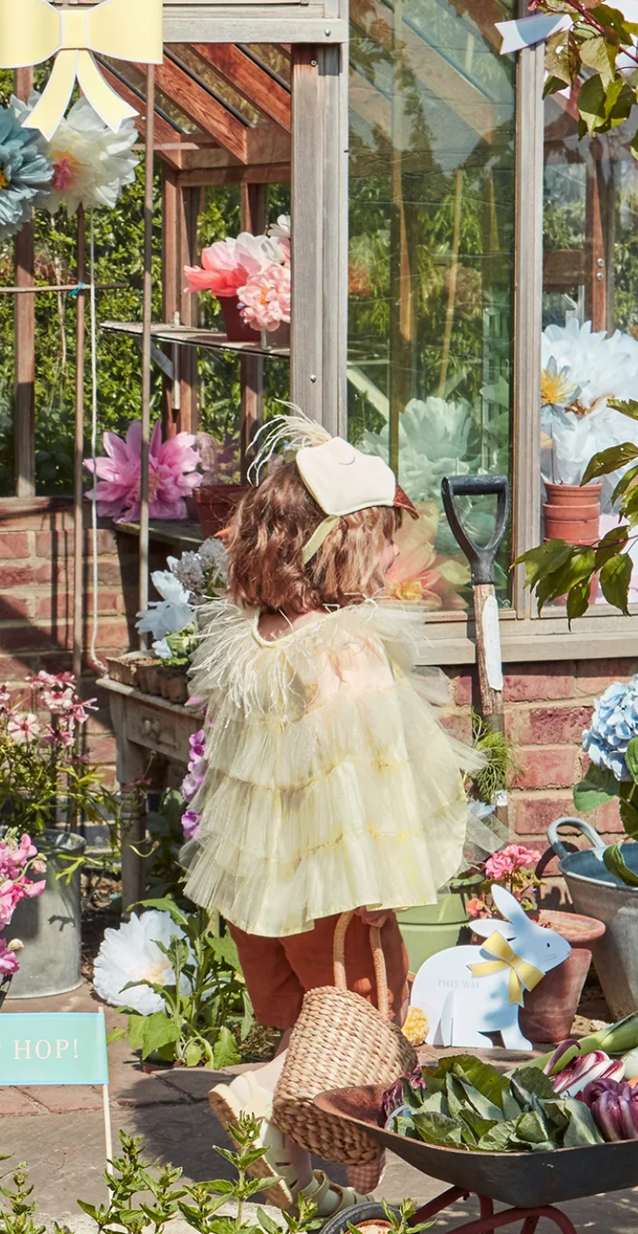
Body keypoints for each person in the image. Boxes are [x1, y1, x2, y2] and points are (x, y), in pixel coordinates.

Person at [184, 427, 480, 1195]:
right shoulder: (348, 647)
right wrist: (378, 888)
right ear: (337, 549)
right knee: (364, 1026)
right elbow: (366, 774)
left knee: (304, 1023)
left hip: (260, 885)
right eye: (382, 541)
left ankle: (293, 1169)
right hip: (334, 887)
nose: (392, 559)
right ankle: (331, 1165)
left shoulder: (249, 642)